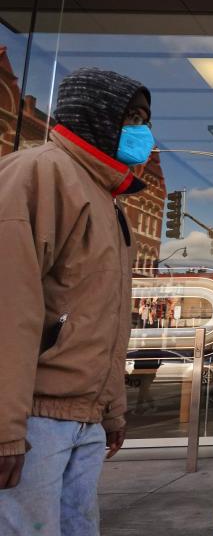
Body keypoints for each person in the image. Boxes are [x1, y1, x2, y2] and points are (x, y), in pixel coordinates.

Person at [0, 68, 152, 534]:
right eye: (133, 117)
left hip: (83, 420)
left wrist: (111, 409)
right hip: (35, 421)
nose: (143, 132)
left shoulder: (109, 199)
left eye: (145, 119)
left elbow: (103, 319)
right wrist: (6, 428)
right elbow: (10, 308)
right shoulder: (38, 173)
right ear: (97, 117)